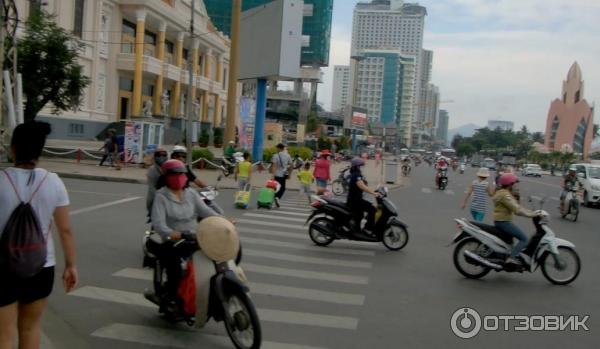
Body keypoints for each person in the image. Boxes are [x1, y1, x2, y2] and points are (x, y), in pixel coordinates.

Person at [0, 122, 78, 349]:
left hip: (3, 266)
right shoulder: (53, 182)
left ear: (13, 148)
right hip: (41, 266)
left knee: (3, 336)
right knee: (30, 328)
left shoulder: (1, 180)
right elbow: (65, 230)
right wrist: (71, 265)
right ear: (40, 150)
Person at [151, 159, 219, 306]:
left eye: (182, 174)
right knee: (175, 270)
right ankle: (172, 297)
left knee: (214, 261)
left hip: (195, 237)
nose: (179, 177)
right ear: (166, 177)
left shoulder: (191, 193)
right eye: (175, 174)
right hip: (173, 241)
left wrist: (222, 220)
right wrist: (177, 234)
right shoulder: (161, 196)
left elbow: (205, 211)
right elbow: (158, 224)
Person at [493, 173, 539, 265]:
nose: (515, 186)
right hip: (503, 222)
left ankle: (510, 255)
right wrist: (533, 215)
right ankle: (511, 258)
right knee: (524, 239)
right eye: (514, 184)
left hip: (501, 221)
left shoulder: (503, 193)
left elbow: (517, 206)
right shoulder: (505, 195)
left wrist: (533, 212)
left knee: (511, 241)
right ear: (510, 184)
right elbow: (517, 210)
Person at [346, 158, 380, 235]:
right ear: (356, 167)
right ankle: (367, 228)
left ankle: (357, 229)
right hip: (355, 201)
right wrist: (373, 193)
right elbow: (362, 186)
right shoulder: (356, 175)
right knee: (372, 209)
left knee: (360, 214)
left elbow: (363, 185)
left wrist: (374, 190)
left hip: (355, 199)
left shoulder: (356, 174)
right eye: (361, 166)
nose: (362, 167)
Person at [146, 147, 168, 218]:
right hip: (158, 199)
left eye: (164, 155)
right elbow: (152, 189)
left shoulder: (170, 168)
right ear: (155, 157)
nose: (161, 157)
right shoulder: (152, 170)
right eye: (159, 155)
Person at [270, 143, 291, 208]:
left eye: (277, 148)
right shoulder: (288, 156)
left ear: (279, 148)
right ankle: (278, 198)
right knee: (282, 188)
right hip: (283, 175)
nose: (276, 149)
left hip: (276, 175)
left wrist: (272, 175)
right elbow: (291, 165)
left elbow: (274, 166)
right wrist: (289, 174)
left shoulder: (275, 155)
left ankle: (273, 199)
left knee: (275, 188)